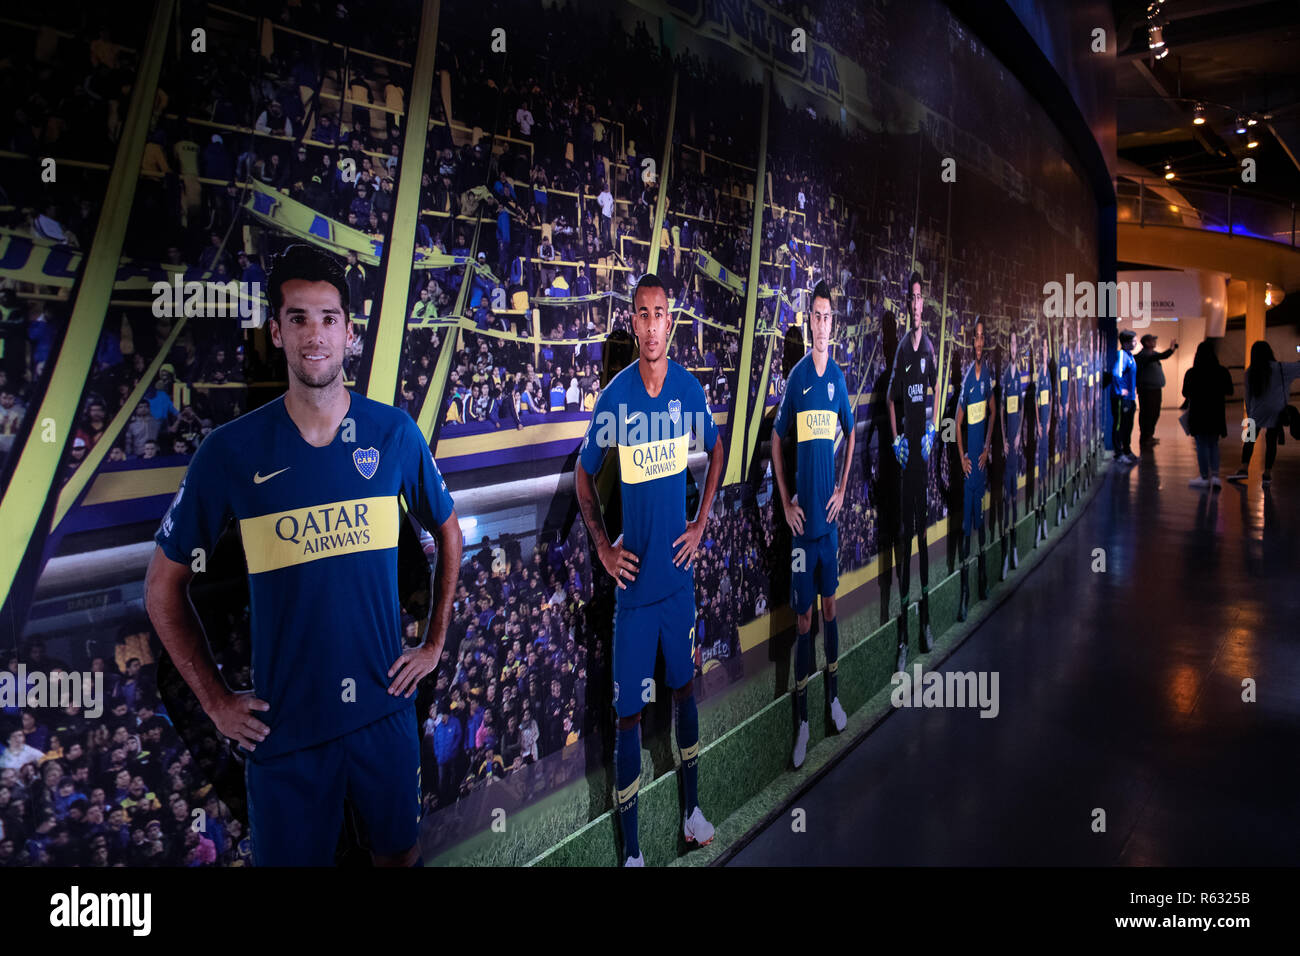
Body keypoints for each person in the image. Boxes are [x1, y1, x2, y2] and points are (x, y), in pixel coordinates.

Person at [144, 243, 464, 867]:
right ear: (276, 331)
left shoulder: (393, 434)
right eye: (298, 318)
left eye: (327, 318)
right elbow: (161, 589)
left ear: (349, 332)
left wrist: (433, 644)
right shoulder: (229, 453)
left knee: (400, 857)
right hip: (286, 732)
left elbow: (450, 533)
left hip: (383, 713)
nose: (314, 336)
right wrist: (214, 701)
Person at [574, 272, 725, 867]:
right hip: (634, 593)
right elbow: (584, 475)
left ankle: (692, 815)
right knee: (629, 713)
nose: (652, 323)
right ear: (633, 322)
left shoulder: (689, 391)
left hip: (677, 585)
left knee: (686, 690)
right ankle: (633, 852)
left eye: (660, 313)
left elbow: (715, 451)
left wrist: (702, 521)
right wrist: (604, 547)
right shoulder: (615, 400)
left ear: (671, 320)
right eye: (641, 313)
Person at [770, 281, 855, 769]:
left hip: (829, 528)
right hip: (803, 532)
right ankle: (802, 721)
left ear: (833, 325)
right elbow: (777, 440)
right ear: (809, 324)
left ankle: (834, 697)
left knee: (829, 610)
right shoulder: (798, 379)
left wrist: (842, 488)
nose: (821, 325)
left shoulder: (837, 380)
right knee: (803, 620)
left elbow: (850, 426)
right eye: (815, 317)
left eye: (827, 317)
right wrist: (785, 502)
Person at [887, 272, 942, 671]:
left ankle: (926, 622)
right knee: (905, 541)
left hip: (924, 457)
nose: (916, 303)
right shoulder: (903, 349)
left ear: (925, 303)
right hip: (908, 460)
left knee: (923, 539)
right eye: (912, 297)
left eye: (921, 297)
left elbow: (936, 387)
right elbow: (891, 399)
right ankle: (903, 636)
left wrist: (934, 429)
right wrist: (897, 440)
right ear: (907, 304)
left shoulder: (931, 348)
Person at [956, 317, 994, 620]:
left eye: (982, 337)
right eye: (975, 337)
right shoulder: (968, 378)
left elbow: (993, 412)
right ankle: (964, 595)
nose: (978, 342)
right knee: (966, 527)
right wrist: (963, 456)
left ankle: (983, 578)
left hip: (981, 463)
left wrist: (987, 447)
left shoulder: (988, 374)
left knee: (980, 521)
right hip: (970, 466)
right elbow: (956, 425)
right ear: (971, 342)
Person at [1227, 340, 1300, 486]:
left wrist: (1249, 414)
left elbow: (1248, 396)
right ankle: (1267, 474)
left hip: (1257, 411)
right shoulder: (1280, 368)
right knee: (1271, 441)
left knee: (1250, 439)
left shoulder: (1250, 372)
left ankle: (1244, 468)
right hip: (1276, 410)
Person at [1181, 340, 1233, 489]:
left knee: (1201, 444)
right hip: (1216, 412)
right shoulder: (1222, 371)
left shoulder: (1192, 372)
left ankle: (1204, 477)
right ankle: (1215, 476)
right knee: (1214, 444)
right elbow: (1230, 391)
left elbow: (1185, 392)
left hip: (1199, 413)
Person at [998, 328, 1026, 579]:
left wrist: (1018, 436)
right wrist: (1006, 439)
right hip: (1007, 448)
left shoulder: (1021, 376)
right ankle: (1005, 553)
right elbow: (1002, 410)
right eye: (1011, 343)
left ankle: (1015, 547)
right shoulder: (1005, 376)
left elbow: (1022, 408)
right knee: (1006, 498)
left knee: (1014, 496)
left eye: (1016, 343)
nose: (1013, 348)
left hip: (1016, 446)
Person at [1136, 333, 1178, 446]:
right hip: (1147, 390)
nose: (1154, 342)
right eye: (1152, 340)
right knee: (1148, 413)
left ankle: (1149, 435)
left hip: (1154, 389)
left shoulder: (1151, 354)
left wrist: (1170, 350)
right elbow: (1161, 356)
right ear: (1146, 343)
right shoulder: (1144, 355)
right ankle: (1145, 436)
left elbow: (1160, 356)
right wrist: (1171, 349)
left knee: (1154, 413)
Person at [1033, 332, 1053, 543]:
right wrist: (1040, 423)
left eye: (1047, 349)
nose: (1045, 353)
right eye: (1043, 349)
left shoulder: (1049, 374)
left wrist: (1048, 423)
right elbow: (1036, 402)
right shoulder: (1040, 375)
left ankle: (1045, 510)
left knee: (1046, 470)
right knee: (1040, 472)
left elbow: (1052, 398)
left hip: (1047, 431)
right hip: (1041, 433)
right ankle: (1039, 514)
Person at [1111, 329, 1138, 464]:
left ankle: (1127, 450)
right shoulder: (1122, 355)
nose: (1136, 343)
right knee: (1120, 425)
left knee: (1128, 426)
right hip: (1122, 399)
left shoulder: (1130, 356)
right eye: (1134, 341)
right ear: (1126, 342)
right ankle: (1119, 453)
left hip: (1130, 399)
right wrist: (1120, 390)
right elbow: (1116, 373)